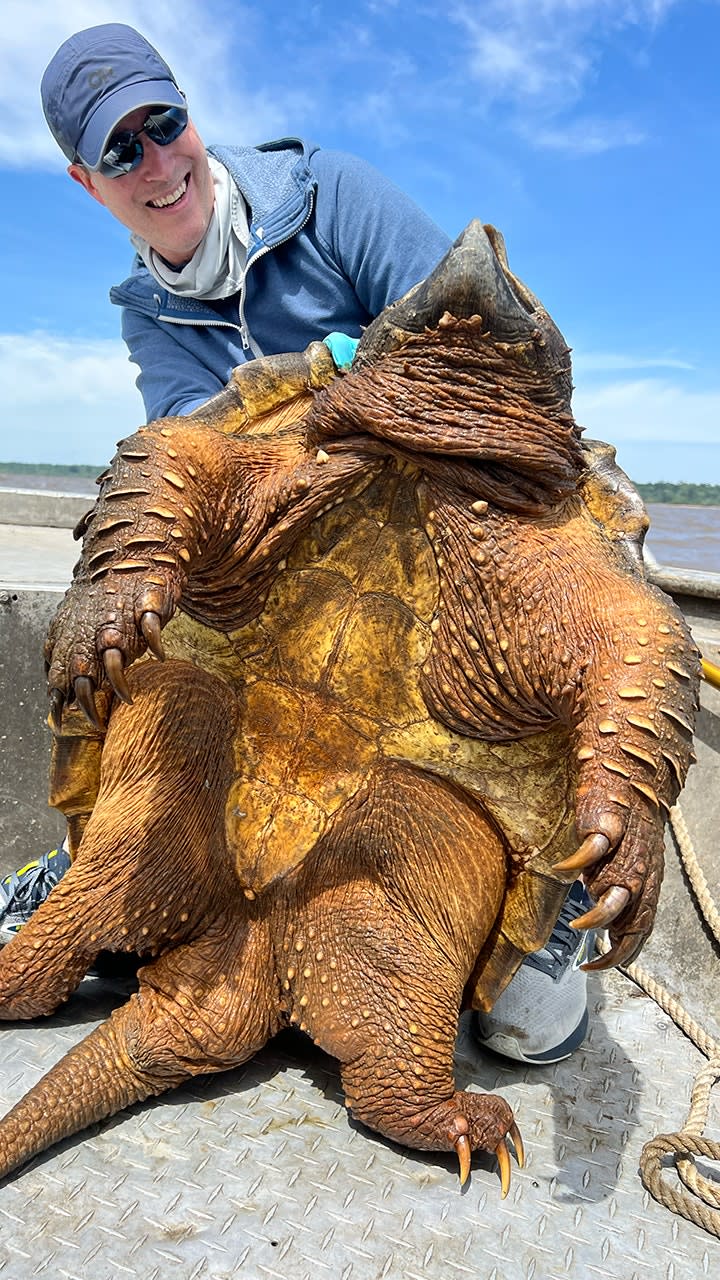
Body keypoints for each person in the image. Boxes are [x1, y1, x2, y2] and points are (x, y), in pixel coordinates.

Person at [0, 23, 594, 1064]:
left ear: (192, 113)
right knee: (140, 583)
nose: (155, 161)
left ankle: (556, 888)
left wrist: (328, 374)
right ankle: (104, 853)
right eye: (120, 151)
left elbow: (474, 338)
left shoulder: (331, 197)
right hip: (294, 536)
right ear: (86, 182)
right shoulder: (148, 316)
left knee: (558, 594)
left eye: (163, 124)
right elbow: (200, 451)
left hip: (437, 499)